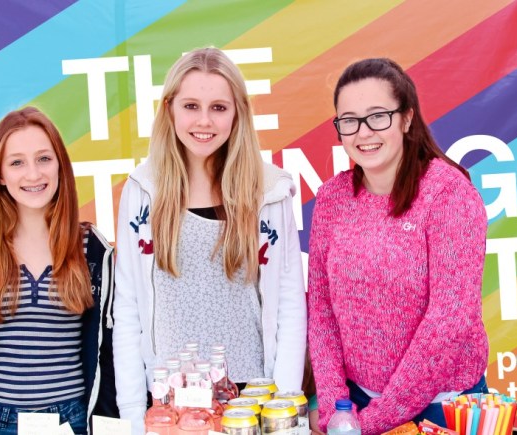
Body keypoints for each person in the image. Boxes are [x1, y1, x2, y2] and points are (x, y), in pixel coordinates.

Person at [113, 47, 306, 432]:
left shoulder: (269, 191)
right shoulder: (142, 190)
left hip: (253, 402)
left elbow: (289, 305)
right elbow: (129, 311)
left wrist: (282, 413)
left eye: (219, 107)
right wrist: (133, 417)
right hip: (169, 408)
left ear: (238, 113)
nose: (204, 121)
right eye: (191, 106)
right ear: (169, 109)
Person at [306, 58, 489, 434]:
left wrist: (374, 422)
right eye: (349, 120)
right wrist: (332, 410)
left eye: (378, 116)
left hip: (443, 410)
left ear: (406, 119)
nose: (363, 132)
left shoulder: (447, 194)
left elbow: (449, 321)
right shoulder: (332, 198)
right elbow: (321, 309)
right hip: (352, 407)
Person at [0, 107, 117, 435]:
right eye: (17, 162)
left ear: (60, 165)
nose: (33, 174)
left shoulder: (93, 248)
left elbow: (109, 351)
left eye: (43, 159)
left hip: (75, 418)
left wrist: (108, 421)